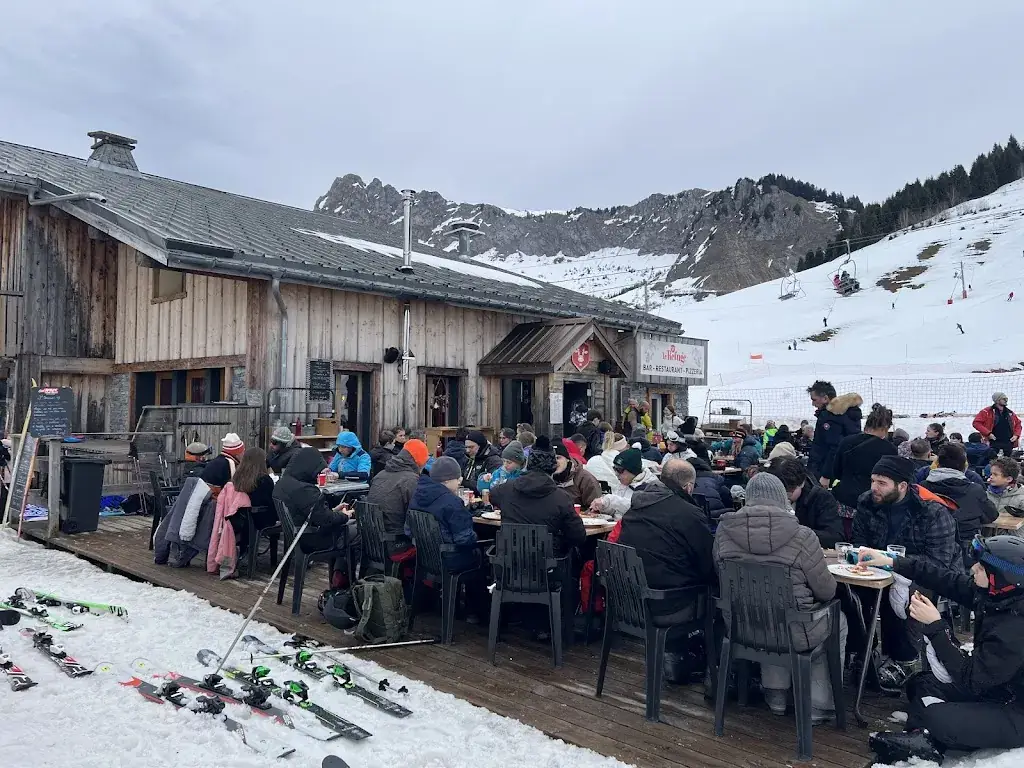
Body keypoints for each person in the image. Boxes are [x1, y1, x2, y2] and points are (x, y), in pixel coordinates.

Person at [860, 537, 1024, 765]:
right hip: (995, 687)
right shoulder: (995, 595)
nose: (973, 568)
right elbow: (944, 579)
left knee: (936, 716)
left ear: (1001, 578)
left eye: (981, 567)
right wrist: (893, 561)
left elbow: (972, 679)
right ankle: (923, 736)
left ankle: (928, 735)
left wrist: (936, 626)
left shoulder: (1015, 627)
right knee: (921, 683)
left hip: (1016, 710)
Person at [714, 473, 846, 722]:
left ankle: (776, 695)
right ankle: (818, 703)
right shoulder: (803, 536)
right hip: (794, 632)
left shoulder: (724, 530)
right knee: (834, 618)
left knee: (766, 610)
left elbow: (719, 573)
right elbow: (827, 591)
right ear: (782, 499)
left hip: (742, 627)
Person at [852, 455, 960, 687]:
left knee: (904, 597)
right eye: (872, 481)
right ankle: (862, 649)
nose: (874, 488)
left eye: (882, 483)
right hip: (878, 570)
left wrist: (894, 562)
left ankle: (907, 659)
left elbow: (939, 563)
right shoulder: (866, 502)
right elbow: (859, 541)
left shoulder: (932, 512)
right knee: (847, 593)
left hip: (926, 575)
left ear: (902, 486)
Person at [617, 459, 715, 621]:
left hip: (628, 598)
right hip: (668, 604)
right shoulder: (689, 514)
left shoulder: (637, 504)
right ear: (689, 487)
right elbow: (707, 563)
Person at [272, 446, 358, 585]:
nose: (317, 476)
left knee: (350, 531)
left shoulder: (283, 483)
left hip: (296, 535)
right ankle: (345, 582)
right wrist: (345, 516)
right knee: (358, 533)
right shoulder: (304, 489)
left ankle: (340, 579)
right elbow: (325, 520)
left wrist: (334, 511)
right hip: (311, 539)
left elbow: (314, 513)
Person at [490, 446, 586, 559]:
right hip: (548, 566)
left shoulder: (504, 490)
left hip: (508, 564)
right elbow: (578, 536)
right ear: (553, 469)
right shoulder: (562, 498)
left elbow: (493, 497)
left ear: (528, 465)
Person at [920, 442, 998, 563]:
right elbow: (992, 515)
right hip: (967, 553)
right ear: (965, 466)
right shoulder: (975, 490)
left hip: (928, 550)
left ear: (936, 464)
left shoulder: (922, 488)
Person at [831, 402, 898, 538]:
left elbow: (836, 471)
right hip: (874, 503)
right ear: (885, 428)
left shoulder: (846, 441)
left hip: (845, 501)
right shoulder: (890, 449)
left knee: (845, 540)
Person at [410, 456, 479, 573]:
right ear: (447, 481)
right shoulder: (452, 502)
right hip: (449, 558)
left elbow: (408, 529)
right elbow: (464, 539)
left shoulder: (417, 494)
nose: (459, 483)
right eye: (458, 479)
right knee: (480, 555)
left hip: (423, 557)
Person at [364, 438, 429, 557]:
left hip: (372, 540)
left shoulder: (380, 475)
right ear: (419, 461)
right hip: (396, 542)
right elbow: (418, 514)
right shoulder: (410, 480)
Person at [765, 457, 844, 548]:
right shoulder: (766, 496)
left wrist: (796, 532)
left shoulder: (820, 498)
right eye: (778, 492)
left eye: (788, 493)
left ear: (802, 483)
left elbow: (835, 536)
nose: (783, 497)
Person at [807, 381, 863, 488]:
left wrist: (826, 475)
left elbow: (834, 446)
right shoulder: (849, 415)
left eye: (814, 400)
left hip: (824, 470)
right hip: (844, 470)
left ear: (825, 398)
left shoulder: (830, 417)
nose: (813, 404)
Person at [590, 448, 658, 520]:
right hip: (618, 526)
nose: (616, 474)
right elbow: (616, 510)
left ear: (632, 470)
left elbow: (637, 507)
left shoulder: (651, 485)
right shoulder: (624, 483)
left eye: (619, 470)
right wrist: (603, 507)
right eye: (614, 469)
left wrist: (610, 500)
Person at [552, 441, 602, 510]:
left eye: (558, 458)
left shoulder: (585, 479)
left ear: (567, 459)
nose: (555, 462)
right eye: (551, 458)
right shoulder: (544, 478)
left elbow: (596, 508)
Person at [688, 456, 734, 527]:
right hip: (718, 516)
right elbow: (728, 500)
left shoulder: (686, 481)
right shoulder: (716, 479)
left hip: (695, 517)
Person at [973, 392, 1022, 458]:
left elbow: (1018, 424)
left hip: (1008, 443)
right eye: (1003, 399)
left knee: (1008, 464)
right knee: (992, 461)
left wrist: (1016, 435)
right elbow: (976, 423)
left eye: (1006, 399)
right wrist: (988, 433)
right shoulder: (986, 412)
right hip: (993, 442)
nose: (1006, 400)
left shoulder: (1010, 413)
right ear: (997, 400)